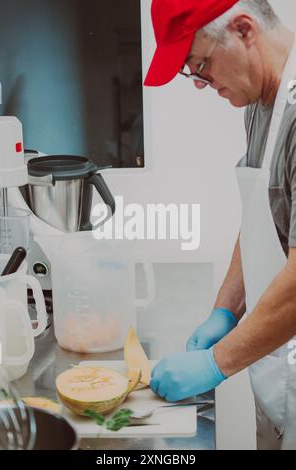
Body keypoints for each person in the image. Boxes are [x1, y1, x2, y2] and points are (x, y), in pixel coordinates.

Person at [144, 0, 296, 450]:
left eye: (201, 66)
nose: (201, 84)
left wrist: (215, 362)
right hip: (276, 371)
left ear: (244, 29)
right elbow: (260, 220)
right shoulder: (259, 104)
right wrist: (225, 310)